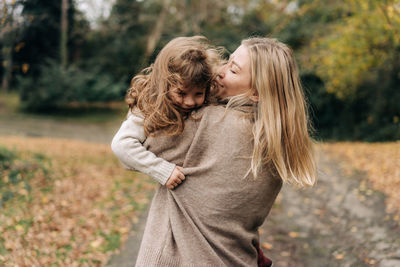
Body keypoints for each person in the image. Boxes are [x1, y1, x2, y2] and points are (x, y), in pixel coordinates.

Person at [115, 37, 316, 266]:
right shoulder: (278, 143)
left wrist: (149, 92)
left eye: (234, 70)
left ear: (256, 93)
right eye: (228, 61)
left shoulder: (207, 123)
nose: (219, 71)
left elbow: (138, 139)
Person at [111, 36, 219, 190]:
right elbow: (122, 145)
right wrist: (162, 170)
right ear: (164, 85)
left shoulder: (207, 99)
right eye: (181, 93)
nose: (189, 102)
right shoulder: (147, 109)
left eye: (198, 94)